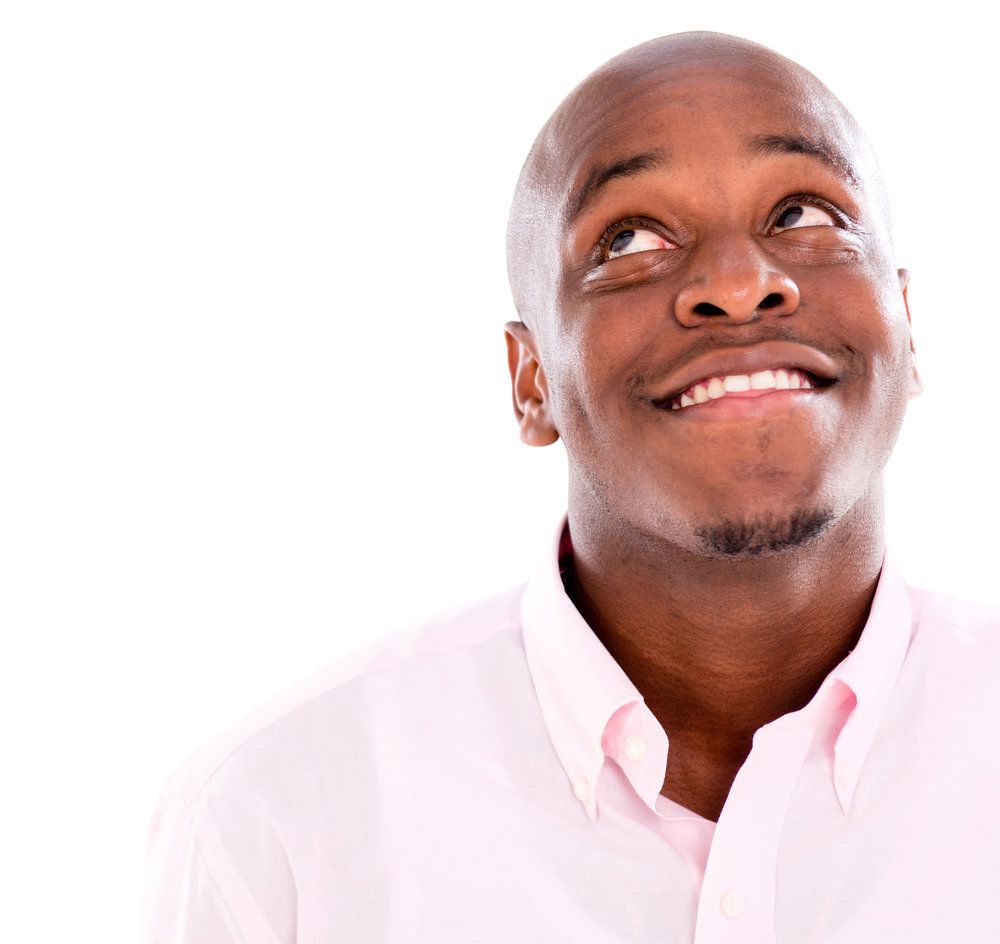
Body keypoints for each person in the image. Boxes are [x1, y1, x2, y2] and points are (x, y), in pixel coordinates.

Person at [142, 31, 1000, 943]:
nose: (740, 284)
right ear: (530, 380)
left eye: (803, 215)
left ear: (907, 324)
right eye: (629, 238)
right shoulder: (281, 815)